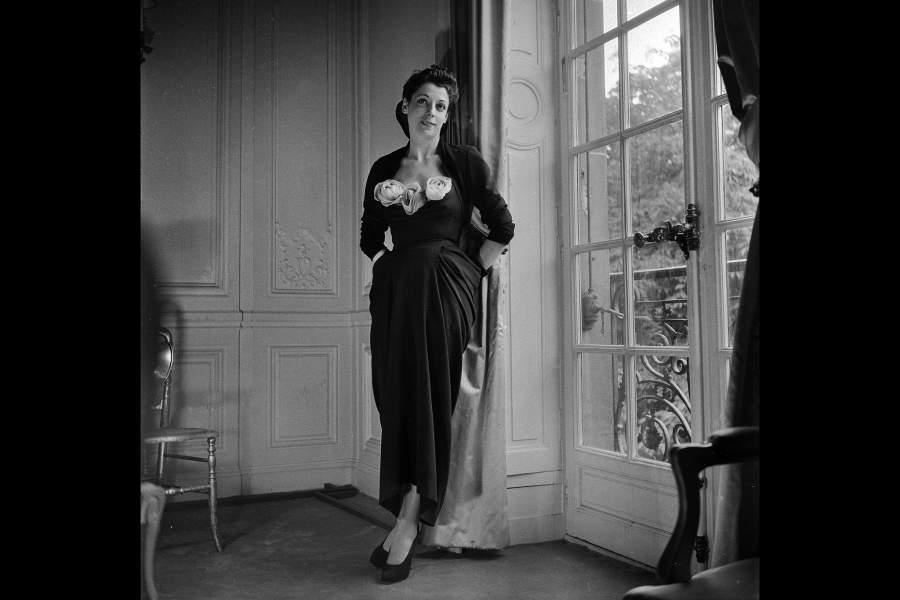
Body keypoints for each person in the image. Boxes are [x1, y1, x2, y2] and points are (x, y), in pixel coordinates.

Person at [360, 64, 515, 583]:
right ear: (405, 106)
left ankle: (408, 524)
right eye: (423, 101)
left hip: (445, 294)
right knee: (396, 399)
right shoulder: (384, 168)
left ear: (448, 116)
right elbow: (369, 235)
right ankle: (401, 518)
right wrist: (385, 267)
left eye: (442, 106)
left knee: (429, 402)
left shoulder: (464, 162)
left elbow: (503, 226)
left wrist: (469, 271)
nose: (432, 112)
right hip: (395, 296)